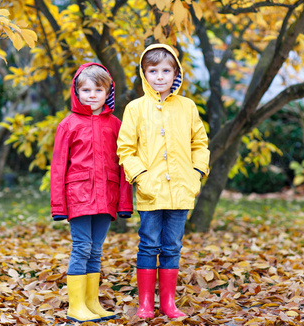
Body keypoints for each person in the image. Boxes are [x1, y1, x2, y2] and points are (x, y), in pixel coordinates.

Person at [117, 44, 210, 319]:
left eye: (166, 70)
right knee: (148, 244)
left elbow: (200, 143)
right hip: (150, 191)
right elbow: (125, 148)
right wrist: (140, 177)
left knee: (172, 246)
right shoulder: (135, 108)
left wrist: (196, 173)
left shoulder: (187, 107)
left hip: (182, 190)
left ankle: (168, 303)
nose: (160, 76)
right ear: (144, 74)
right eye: (153, 71)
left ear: (176, 73)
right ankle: (145, 303)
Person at [50, 63, 134, 323]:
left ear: (108, 91)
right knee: (82, 247)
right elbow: (58, 167)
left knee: (96, 250)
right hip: (78, 196)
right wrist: (58, 207)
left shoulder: (116, 124)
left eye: (98, 89)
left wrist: (124, 202)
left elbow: (124, 164)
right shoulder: (68, 124)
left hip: (106, 195)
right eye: (86, 89)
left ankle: (91, 302)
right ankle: (76, 306)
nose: (92, 94)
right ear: (76, 91)